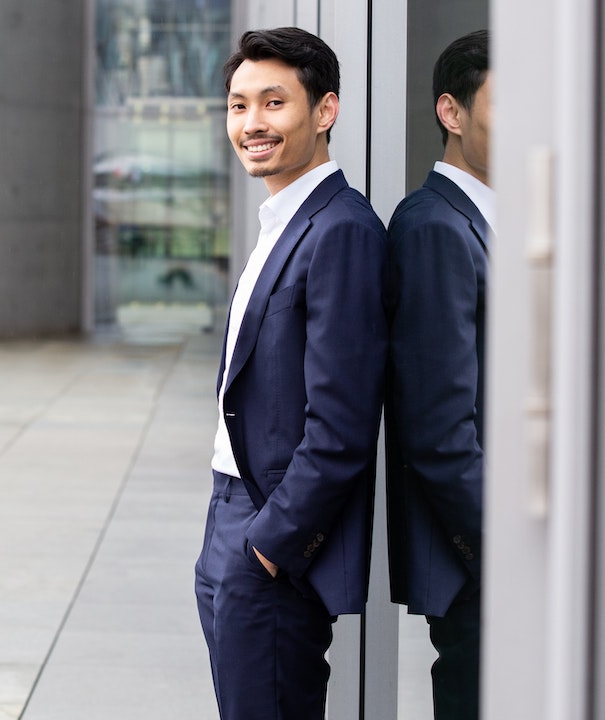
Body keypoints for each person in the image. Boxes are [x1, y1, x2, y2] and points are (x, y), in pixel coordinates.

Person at [193, 27, 388, 720]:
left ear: (325, 111)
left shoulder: (340, 230)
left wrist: (268, 548)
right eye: (239, 105)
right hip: (231, 510)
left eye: (273, 103)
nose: (252, 124)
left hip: (265, 530)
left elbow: (341, 425)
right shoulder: (282, 220)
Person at [384, 29, 492, 720]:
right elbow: (436, 425)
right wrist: (503, 550)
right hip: (480, 558)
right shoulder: (434, 228)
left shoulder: (486, 220)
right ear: (451, 114)